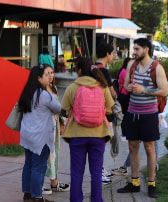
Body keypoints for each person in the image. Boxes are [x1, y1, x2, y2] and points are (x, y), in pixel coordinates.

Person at [118, 38, 168, 198]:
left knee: (149, 148)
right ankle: (135, 183)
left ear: (146, 49)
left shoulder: (156, 68)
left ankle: (152, 184)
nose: (134, 52)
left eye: (137, 49)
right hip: (132, 113)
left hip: (149, 114)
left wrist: (144, 90)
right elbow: (125, 86)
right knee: (132, 147)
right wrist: (130, 87)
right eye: (134, 49)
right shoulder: (131, 65)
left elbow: (164, 91)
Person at [61, 57, 114, 202]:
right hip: (98, 135)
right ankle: (96, 199)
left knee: (77, 172)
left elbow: (64, 110)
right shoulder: (102, 87)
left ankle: (76, 199)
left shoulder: (72, 88)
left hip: (77, 136)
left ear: (79, 70)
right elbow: (110, 109)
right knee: (96, 171)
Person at [19, 64, 61, 202]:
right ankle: (37, 197)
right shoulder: (44, 95)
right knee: (38, 167)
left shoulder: (27, 92)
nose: (49, 77)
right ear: (38, 78)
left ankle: (27, 194)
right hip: (40, 137)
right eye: (45, 75)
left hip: (27, 135)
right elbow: (57, 108)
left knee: (29, 164)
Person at [111, 95, 168, 175]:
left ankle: (151, 172)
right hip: (142, 117)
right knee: (136, 146)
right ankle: (127, 168)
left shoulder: (158, 87)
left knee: (150, 147)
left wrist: (158, 122)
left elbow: (163, 104)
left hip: (151, 119)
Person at [42, 67, 70, 195]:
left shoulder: (54, 89)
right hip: (43, 128)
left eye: (52, 73)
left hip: (54, 127)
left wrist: (61, 124)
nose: (50, 76)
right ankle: (39, 184)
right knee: (43, 156)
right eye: (47, 73)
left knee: (53, 155)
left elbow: (58, 110)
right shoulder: (41, 90)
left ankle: (54, 181)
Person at [95, 42, 117, 183]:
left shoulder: (91, 68)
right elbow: (112, 93)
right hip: (103, 112)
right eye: (113, 53)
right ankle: (98, 172)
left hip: (91, 110)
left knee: (98, 143)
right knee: (100, 144)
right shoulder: (104, 71)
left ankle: (100, 169)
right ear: (107, 54)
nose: (114, 56)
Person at [118, 57, 133, 140]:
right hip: (124, 96)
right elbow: (131, 82)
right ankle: (124, 134)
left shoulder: (125, 71)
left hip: (125, 96)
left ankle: (125, 133)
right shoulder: (124, 72)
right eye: (130, 63)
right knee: (125, 116)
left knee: (126, 115)